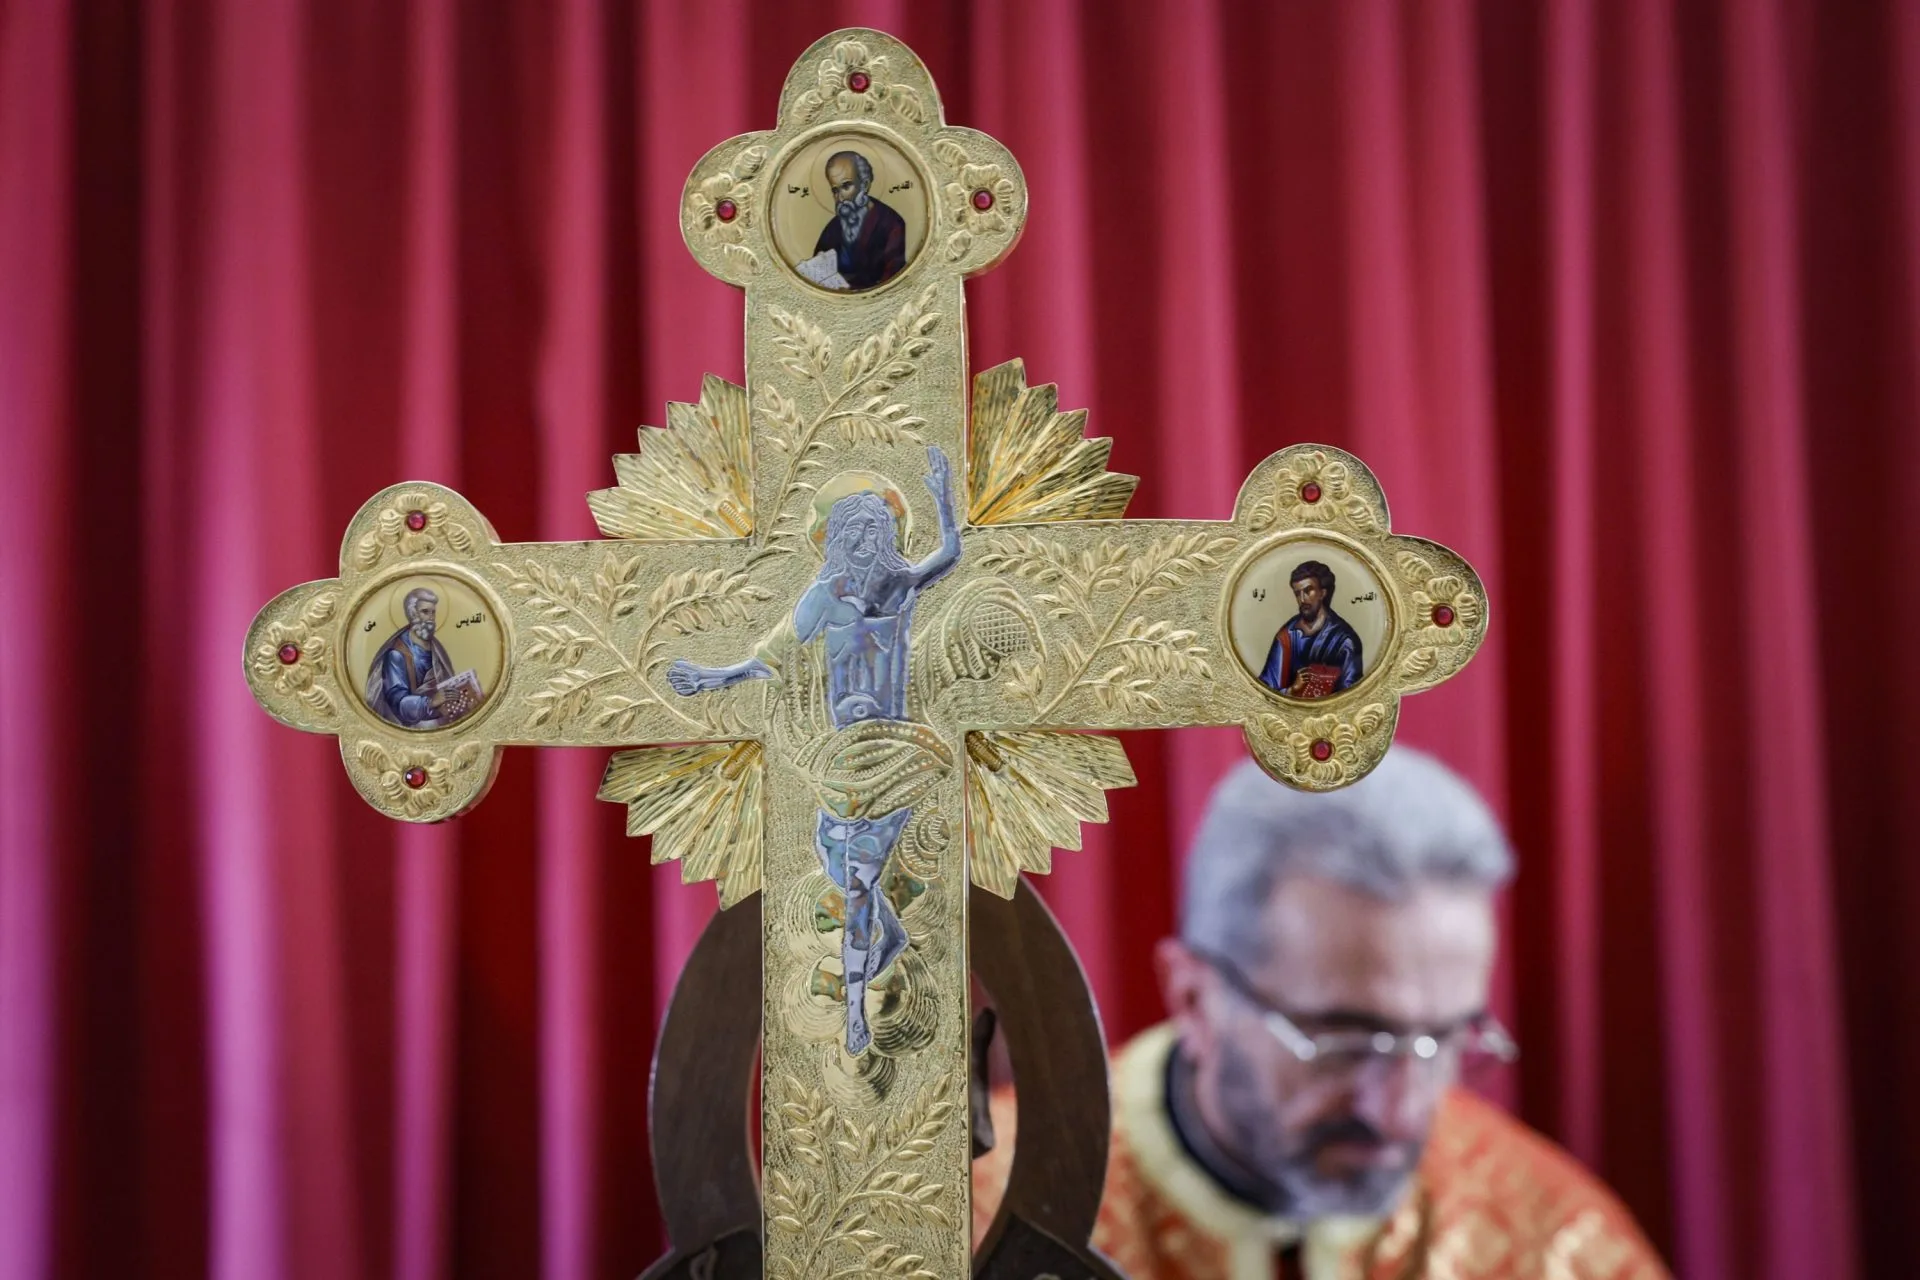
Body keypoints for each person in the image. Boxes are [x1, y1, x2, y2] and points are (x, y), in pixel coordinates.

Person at [972, 749, 1668, 1279]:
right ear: (1194, 998)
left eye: (1443, 1039)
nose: (1398, 1110)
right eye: (1342, 1040)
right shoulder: (976, 1211)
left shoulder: (1551, 1238)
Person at [667, 449, 961, 1053]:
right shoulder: (824, 596)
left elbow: (950, 556)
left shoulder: (902, 586)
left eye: (871, 529)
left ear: (883, 537)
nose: (860, 538)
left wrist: (942, 498)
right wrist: (713, 676)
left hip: (893, 755)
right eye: (850, 530)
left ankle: (855, 1010)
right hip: (841, 755)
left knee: (853, 880)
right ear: (835, 539)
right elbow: (770, 656)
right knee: (833, 858)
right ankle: (892, 935)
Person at [1259, 561, 1363, 698]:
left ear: (1322, 593)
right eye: (1297, 593)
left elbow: (1352, 695)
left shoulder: (1344, 640)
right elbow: (1266, 689)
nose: (1302, 599)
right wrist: (1292, 691)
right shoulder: (1287, 636)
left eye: (1308, 591)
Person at [807, 149, 908, 290]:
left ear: (865, 185)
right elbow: (816, 268)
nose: (840, 198)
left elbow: (892, 280)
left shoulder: (891, 223)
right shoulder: (834, 226)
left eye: (846, 186)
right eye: (835, 190)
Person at [365, 587, 464, 729]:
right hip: (410, 725)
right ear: (413, 614)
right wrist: (430, 702)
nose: (431, 617)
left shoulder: (436, 647)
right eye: (425, 612)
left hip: (442, 715)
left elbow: (446, 680)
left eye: (433, 612)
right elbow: (397, 701)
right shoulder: (396, 653)